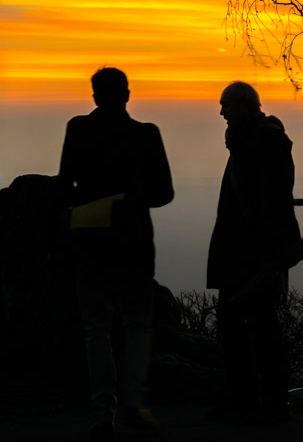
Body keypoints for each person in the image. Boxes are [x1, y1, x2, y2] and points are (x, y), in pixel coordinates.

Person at [59, 67, 174, 438]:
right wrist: (130, 199)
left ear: (94, 96)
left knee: (96, 328)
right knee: (138, 324)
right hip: (134, 243)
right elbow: (164, 194)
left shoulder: (77, 128)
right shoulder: (146, 134)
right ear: (127, 93)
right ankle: (134, 404)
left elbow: (64, 184)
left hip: (89, 243)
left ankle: (100, 412)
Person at [207, 81, 303, 423]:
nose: (222, 112)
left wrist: (268, 255)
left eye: (227, 105)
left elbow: (272, 202)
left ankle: (270, 401)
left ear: (245, 106)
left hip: (253, 250)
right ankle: (249, 399)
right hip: (243, 248)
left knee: (259, 326)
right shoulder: (251, 140)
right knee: (240, 324)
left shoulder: (264, 141)